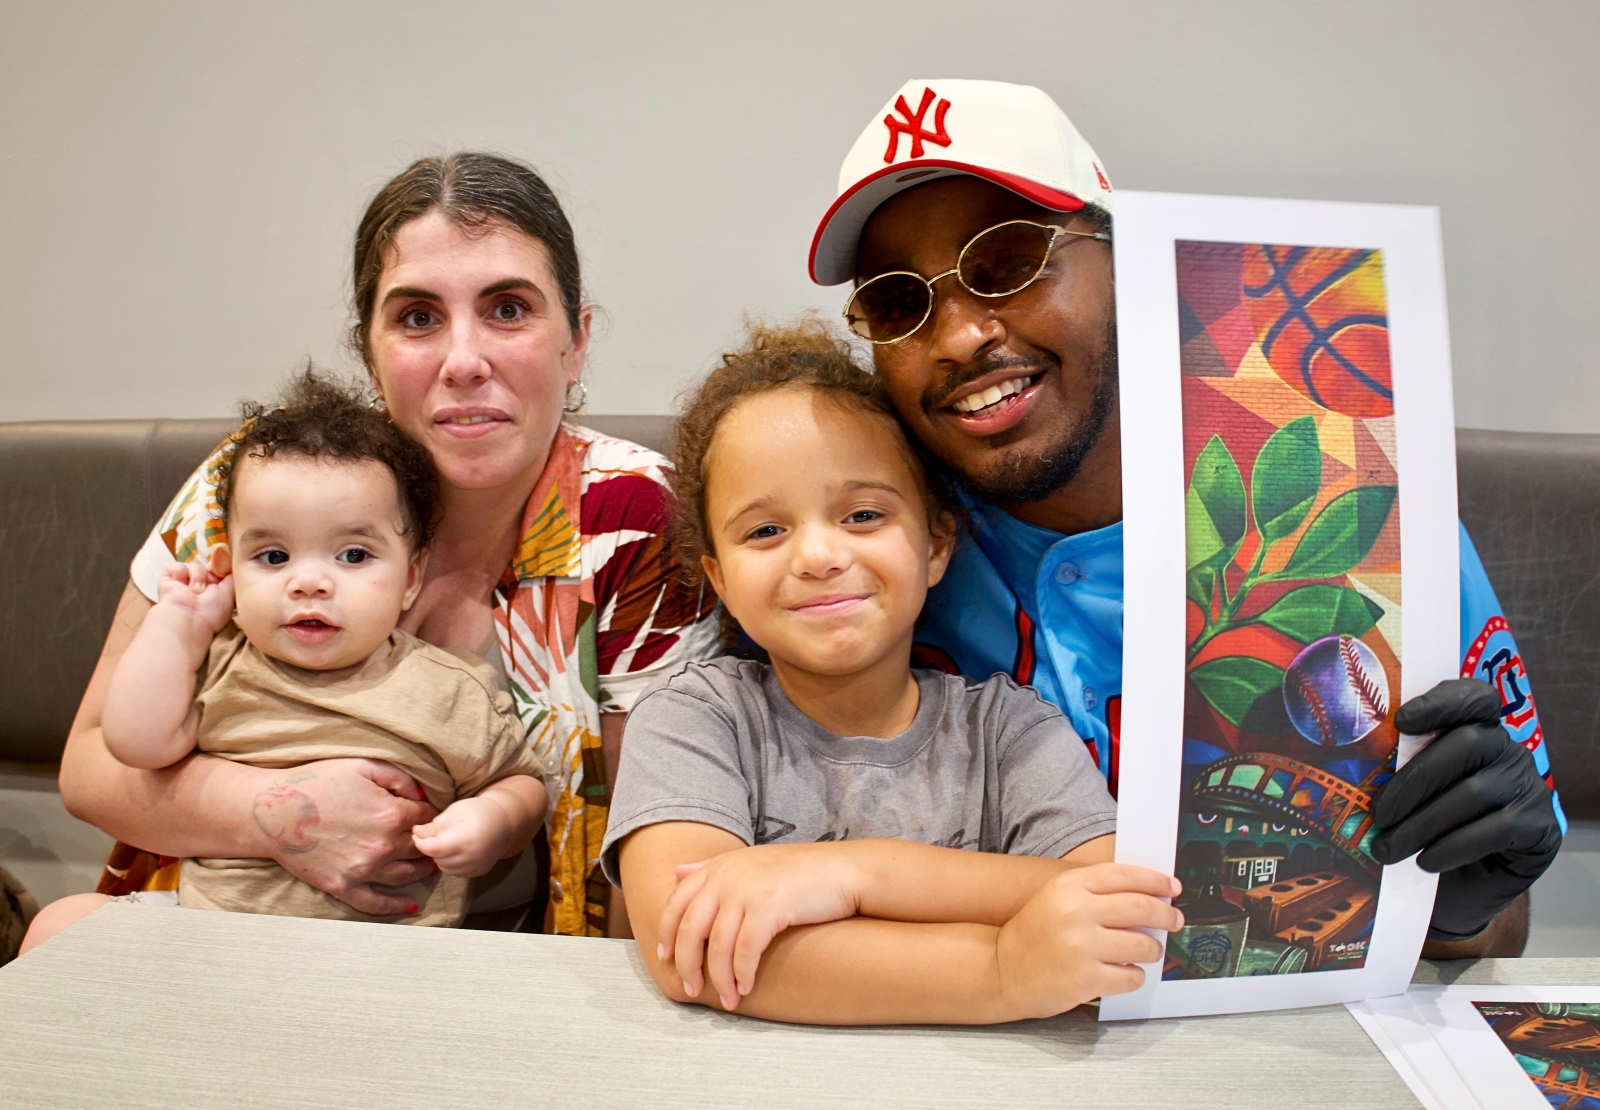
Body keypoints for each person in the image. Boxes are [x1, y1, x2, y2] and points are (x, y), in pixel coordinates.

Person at [807, 78, 1565, 958]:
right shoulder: (865, 554)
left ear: (1128, 263)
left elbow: (1499, 926)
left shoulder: (1361, 513)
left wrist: (1465, 901)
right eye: (901, 302)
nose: (960, 335)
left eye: (1008, 259)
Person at [57, 152, 718, 937]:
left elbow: (642, 848)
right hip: (223, 928)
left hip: (505, 971)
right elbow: (92, 766)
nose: (463, 361)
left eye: (508, 309)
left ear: (575, 341)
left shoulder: (634, 517)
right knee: (59, 931)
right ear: (368, 350)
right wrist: (284, 816)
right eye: (417, 318)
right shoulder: (260, 481)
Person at [604, 321, 1183, 1024]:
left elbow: (1118, 897)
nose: (817, 555)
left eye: (863, 513)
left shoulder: (1011, 729)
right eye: (765, 530)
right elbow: (687, 947)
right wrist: (1001, 967)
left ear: (937, 544)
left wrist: (848, 874)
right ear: (720, 580)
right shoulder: (693, 718)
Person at [24, 376, 549, 950]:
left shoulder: (448, 688)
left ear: (411, 578)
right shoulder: (219, 660)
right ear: (229, 566)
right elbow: (134, 743)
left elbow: (520, 783)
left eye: (353, 555)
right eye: (273, 556)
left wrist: (493, 823)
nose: (309, 582)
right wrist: (179, 626)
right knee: (60, 924)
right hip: (206, 927)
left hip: (391, 949)